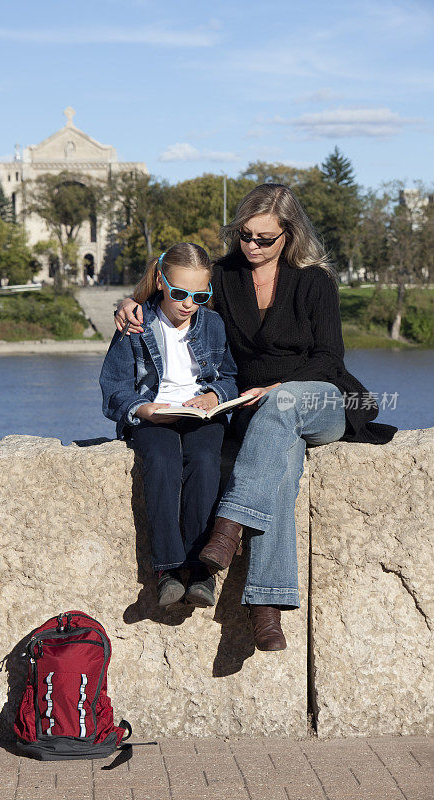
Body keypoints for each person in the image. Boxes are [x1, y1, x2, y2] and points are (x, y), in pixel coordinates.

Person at [114, 184, 397, 651]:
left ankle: (227, 527)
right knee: (279, 463)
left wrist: (278, 388)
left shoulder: (314, 280)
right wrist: (127, 303)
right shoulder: (223, 277)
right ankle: (267, 605)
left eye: (264, 238)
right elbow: (166, 289)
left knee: (280, 408)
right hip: (255, 411)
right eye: (244, 235)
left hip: (319, 397)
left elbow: (330, 358)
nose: (252, 246)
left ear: (290, 234)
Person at [100, 242, 239, 609]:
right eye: (179, 293)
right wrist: (142, 410)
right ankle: (169, 570)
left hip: (200, 414)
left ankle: (201, 570)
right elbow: (113, 387)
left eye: (199, 295)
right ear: (161, 282)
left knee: (206, 462)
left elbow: (228, 375)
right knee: (161, 462)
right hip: (153, 415)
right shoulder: (136, 324)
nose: (188, 303)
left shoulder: (212, 324)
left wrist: (215, 396)